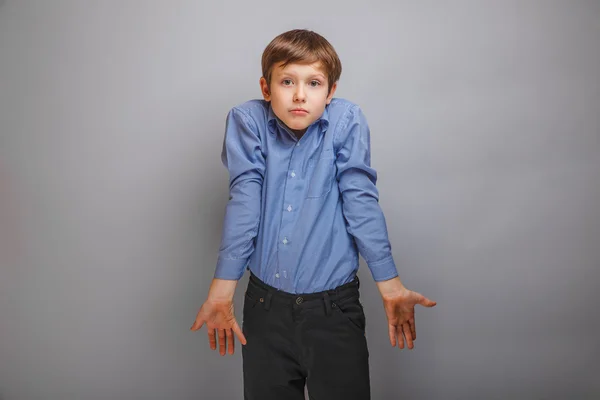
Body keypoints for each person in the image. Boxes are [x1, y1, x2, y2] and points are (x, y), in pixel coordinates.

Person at [190, 28, 437, 399]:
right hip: (264, 306)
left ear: (331, 92)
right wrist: (221, 292)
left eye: (314, 83)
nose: (300, 95)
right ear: (266, 87)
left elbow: (360, 201)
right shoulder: (247, 121)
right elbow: (245, 201)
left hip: (333, 309)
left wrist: (390, 286)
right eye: (287, 81)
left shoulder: (345, 121)